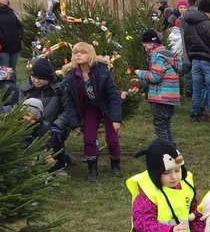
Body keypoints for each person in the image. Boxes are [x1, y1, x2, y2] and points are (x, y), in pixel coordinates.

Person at [61, 42, 123, 181]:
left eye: (82, 52)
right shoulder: (72, 77)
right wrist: (74, 122)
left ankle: (115, 164)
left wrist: (116, 119)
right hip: (90, 107)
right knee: (89, 138)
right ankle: (92, 168)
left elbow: (113, 96)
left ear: (90, 55)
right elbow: (70, 102)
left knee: (112, 139)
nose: (78, 55)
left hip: (106, 105)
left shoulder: (102, 72)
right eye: (76, 52)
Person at [181, 0, 210, 123]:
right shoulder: (209, 25)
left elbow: (187, 44)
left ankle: (195, 113)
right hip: (208, 61)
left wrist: (191, 58)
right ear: (208, 12)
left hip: (195, 60)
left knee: (197, 87)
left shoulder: (188, 25)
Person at [22, 57, 69, 175]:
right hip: (31, 124)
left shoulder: (59, 89)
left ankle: (60, 165)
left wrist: (58, 125)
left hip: (55, 124)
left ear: (49, 78)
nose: (36, 81)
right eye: (34, 77)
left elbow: (68, 109)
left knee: (54, 137)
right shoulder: (25, 89)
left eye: (41, 78)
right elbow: (19, 107)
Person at [135, 29, 181, 142]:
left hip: (160, 97)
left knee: (160, 125)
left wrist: (140, 73)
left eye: (145, 45)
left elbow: (155, 77)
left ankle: (165, 150)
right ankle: (172, 149)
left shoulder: (157, 56)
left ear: (151, 44)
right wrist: (140, 81)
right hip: (171, 96)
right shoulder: (168, 55)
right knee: (166, 124)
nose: (145, 48)